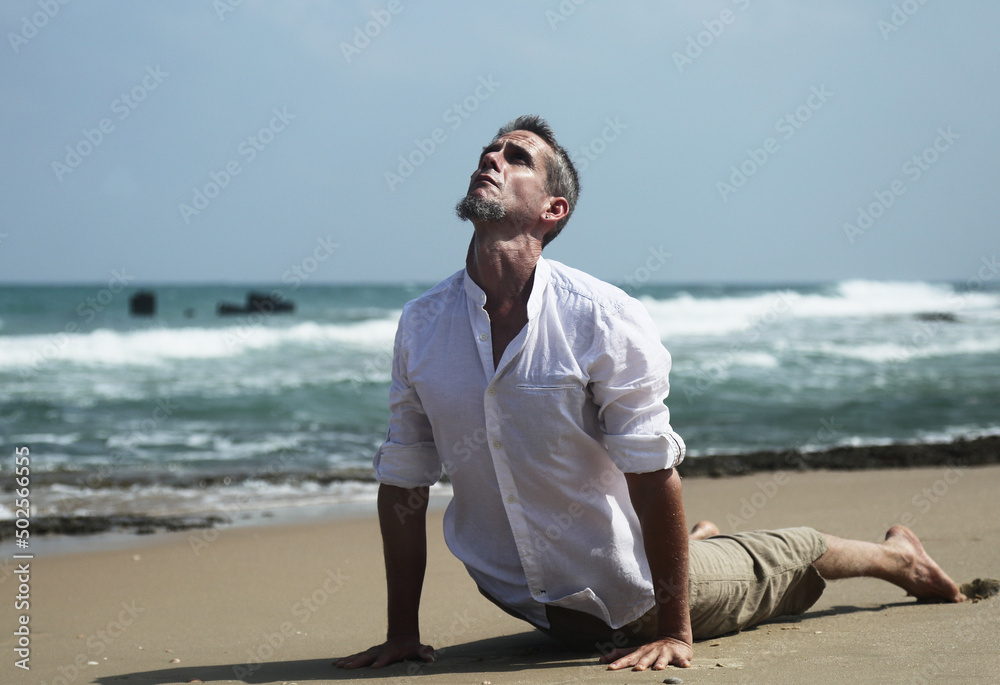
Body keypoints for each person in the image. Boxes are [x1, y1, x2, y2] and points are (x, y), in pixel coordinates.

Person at [335, 115, 965, 673]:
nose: (491, 158)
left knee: (783, 555)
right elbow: (406, 477)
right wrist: (402, 634)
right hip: (527, 598)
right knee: (691, 547)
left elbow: (649, 465)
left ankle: (896, 558)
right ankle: (700, 543)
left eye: (516, 156)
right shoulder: (423, 323)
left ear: (553, 210)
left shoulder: (601, 317)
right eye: (489, 150)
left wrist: (675, 630)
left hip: (634, 596)